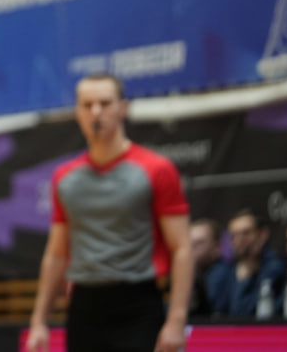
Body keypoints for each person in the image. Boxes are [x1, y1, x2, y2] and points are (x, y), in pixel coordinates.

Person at [26, 73, 191, 352]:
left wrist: (176, 320)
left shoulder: (156, 169)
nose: (96, 112)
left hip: (138, 303)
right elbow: (56, 254)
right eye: (87, 105)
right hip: (84, 307)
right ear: (77, 112)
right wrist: (38, 321)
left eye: (104, 103)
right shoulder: (65, 178)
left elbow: (182, 248)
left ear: (123, 108)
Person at [207, 209, 286, 317]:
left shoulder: (274, 267)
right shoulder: (225, 269)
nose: (239, 240)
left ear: (262, 234)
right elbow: (217, 312)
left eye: (246, 233)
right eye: (234, 235)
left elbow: (242, 314)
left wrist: (244, 280)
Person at [188, 217, 229, 318]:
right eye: (190, 243)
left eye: (199, 243)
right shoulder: (190, 274)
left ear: (216, 247)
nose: (192, 248)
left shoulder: (223, 274)